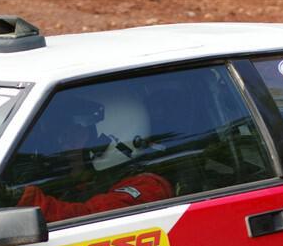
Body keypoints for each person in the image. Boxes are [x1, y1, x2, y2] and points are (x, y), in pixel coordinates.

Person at [16, 93, 172, 222]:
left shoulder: (147, 188)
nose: (62, 142)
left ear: (111, 140)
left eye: (74, 135)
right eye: (63, 133)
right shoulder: (88, 180)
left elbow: (85, 219)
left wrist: (26, 199)